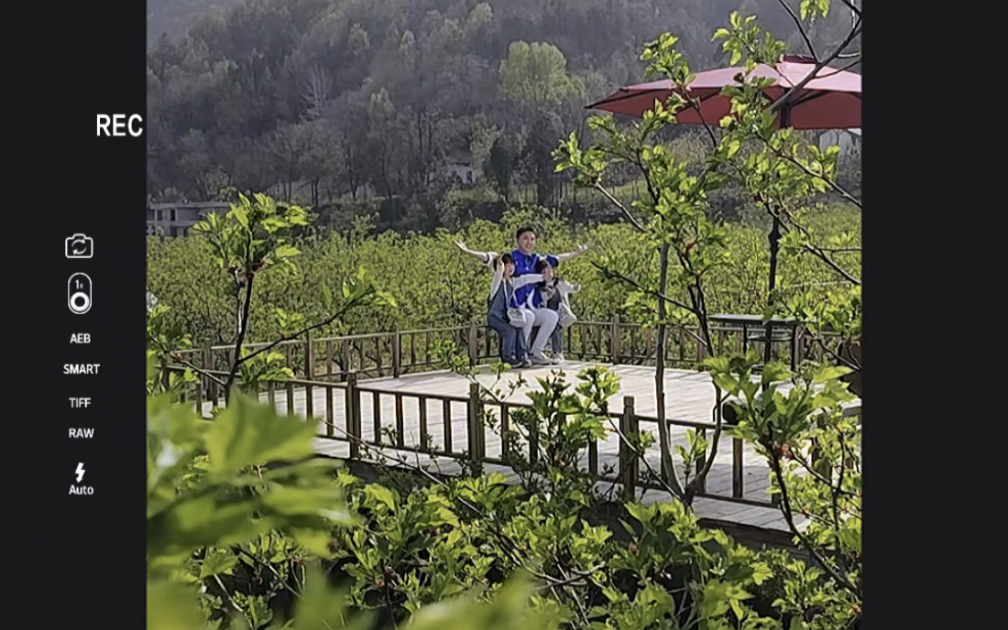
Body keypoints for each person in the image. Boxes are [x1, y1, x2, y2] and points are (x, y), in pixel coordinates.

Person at [453, 241, 543, 367]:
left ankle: (522, 355)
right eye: (507, 265)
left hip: (506, 317)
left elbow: (527, 278)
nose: (510, 267)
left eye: (512, 264)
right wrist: (467, 251)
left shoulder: (512, 282)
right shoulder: (497, 282)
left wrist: (543, 277)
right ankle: (507, 358)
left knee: (519, 328)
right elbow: (490, 261)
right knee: (509, 331)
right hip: (495, 317)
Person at [509, 226, 589, 364]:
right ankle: (520, 353)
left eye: (532, 239)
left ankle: (536, 352)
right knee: (529, 317)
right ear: (517, 241)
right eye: (525, 238)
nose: (529, 242)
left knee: (551, 316)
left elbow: (558, 258)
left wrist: (576, 254)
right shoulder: (511, 258)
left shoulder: (536, 259)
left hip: (532, 306)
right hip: (515, 306)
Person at [528, 258, 580, 363]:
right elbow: (539, 300)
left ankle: (558, 353)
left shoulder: (560, 283)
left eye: (549, 271)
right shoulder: (538, 287)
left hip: (558, 312)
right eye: (545, 272)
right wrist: (546, 295)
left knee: (556, 330)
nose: (548, 274)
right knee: (536, 330)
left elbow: (571, 288)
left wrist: (576, 286)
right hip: (544, 314)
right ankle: (533, 352)